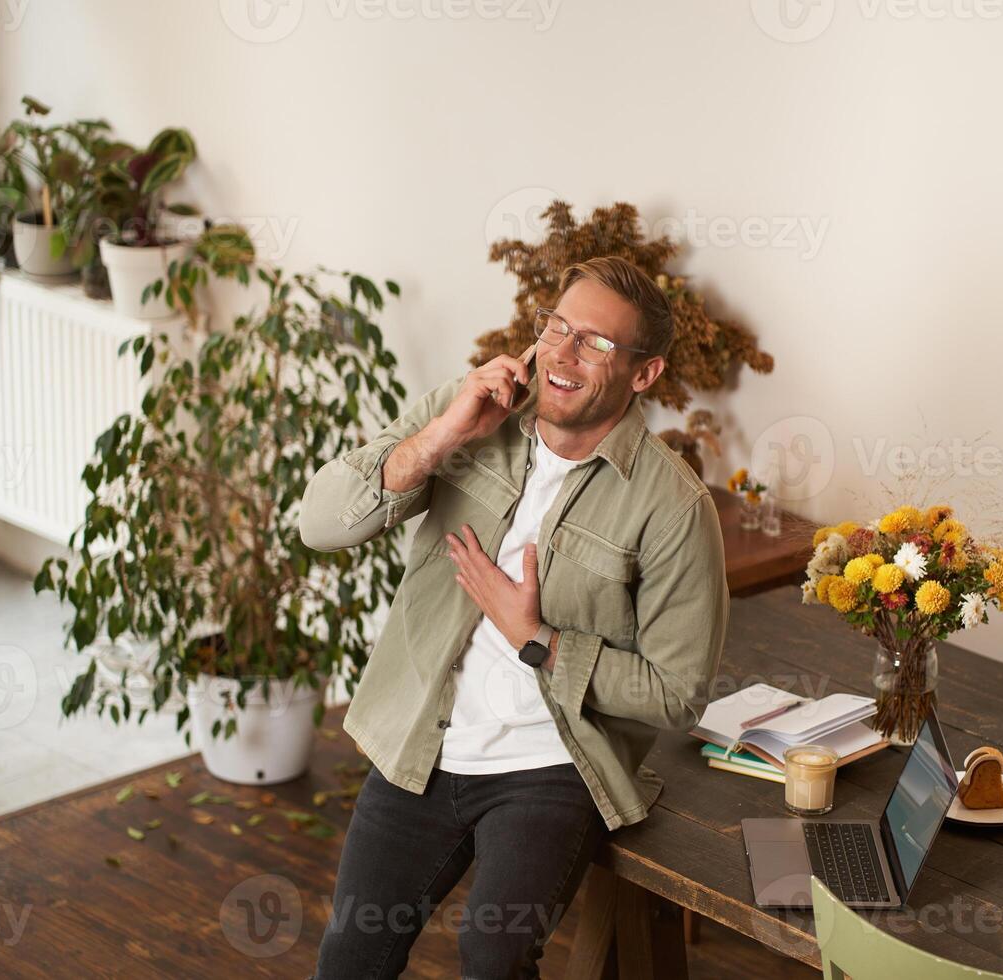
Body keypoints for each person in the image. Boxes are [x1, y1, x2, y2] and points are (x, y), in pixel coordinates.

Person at [299, 255, 729, 978]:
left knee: (492, 953)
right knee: (349, 959)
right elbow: (320, 523)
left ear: (644, 374)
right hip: (422, 743)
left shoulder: (675, 506)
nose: (563, 353)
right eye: (557, 328)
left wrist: (539, 640)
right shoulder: (466, 410)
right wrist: (442, 438)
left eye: (594, 343)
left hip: (550, 763)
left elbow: (678, 692)